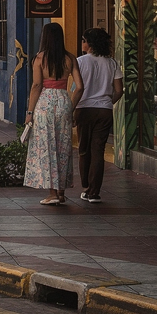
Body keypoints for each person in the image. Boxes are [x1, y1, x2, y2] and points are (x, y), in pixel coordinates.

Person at [24, 23, 77, 205]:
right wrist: (71, 105)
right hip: (63, 101)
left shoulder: (39, 59)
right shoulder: (70, 58)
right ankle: (61, 192)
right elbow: (80, 86)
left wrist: (30, 112)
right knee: (63, 146)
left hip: (45, 103)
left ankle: (52, 193)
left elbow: (37, 86)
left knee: (47, 146)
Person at [73, 28, 123, 203]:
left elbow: (77, 89)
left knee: (84, 150)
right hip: (105, 110)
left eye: (83, 40)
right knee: (98, 151)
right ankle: (94, 192)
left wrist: (71, 109)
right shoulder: (112, 63)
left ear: (90, 43)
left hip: (84, 109)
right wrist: (108, 102)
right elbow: (119, 90)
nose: (82, 43)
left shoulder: (79, 62)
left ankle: (86, 186)